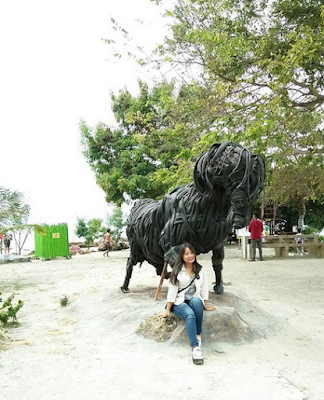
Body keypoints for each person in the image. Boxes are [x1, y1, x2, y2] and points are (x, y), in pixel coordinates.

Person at [161, 243, 216, 365]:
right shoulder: (177, 271)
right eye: (186, 254)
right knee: (190, 314)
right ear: (181, 256)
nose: (190, 256)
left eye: (192, 253)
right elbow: (172, 291)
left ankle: (198, 336)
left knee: (197, 302)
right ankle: (195, 348)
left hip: (193, 299)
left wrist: (205, 304)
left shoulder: (201, 270)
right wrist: (168, 309)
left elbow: (204, 289)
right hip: (179, 302)